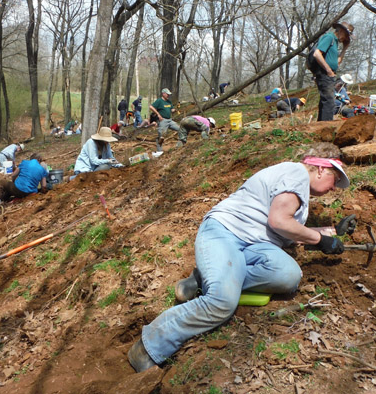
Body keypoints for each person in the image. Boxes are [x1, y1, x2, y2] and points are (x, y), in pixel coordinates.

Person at [128, 143, 352, 373]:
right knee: (222, 302)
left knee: (288, 275)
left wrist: (333, 231)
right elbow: (279, 221)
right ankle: (148, 347)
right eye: (335, 180)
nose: (334, 188)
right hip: (225, 233)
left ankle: (205, 277)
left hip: (257, 246)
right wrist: (320, 239)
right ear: (322, 169)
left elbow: (290, 229)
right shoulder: (296, 174)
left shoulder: (298, 190)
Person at [313, 21, 354, 122]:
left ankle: (320, 125)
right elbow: (317, 54)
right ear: (340, 31)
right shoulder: (329, 37)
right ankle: (325, 127)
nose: (346, 38)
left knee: (325, 101)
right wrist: (328, 70)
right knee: (329, 101)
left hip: (329, 75)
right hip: (324, 73)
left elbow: (337, 62)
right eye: (346, 35)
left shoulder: (335, 42)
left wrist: (345, 48)